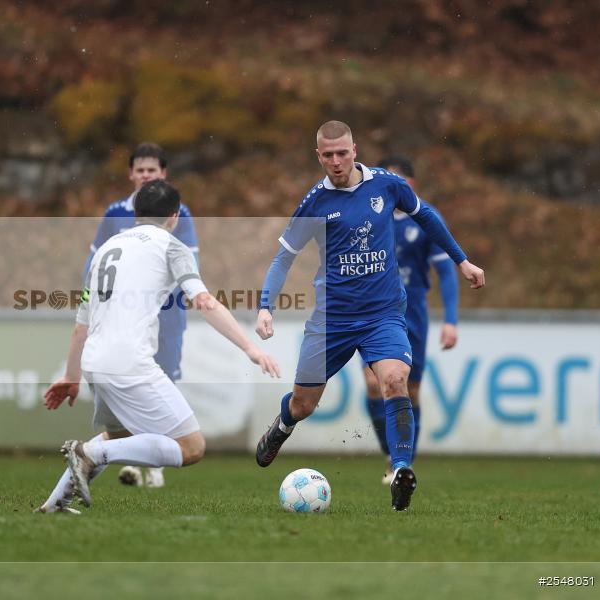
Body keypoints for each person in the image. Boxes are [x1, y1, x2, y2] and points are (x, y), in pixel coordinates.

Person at [253, 121, 484, 511]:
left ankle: (400, 470)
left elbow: (425, 215)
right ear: (318, 157)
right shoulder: (314, 203)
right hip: (332, 319)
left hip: (383, 314)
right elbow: (284, 258)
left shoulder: (386, 184)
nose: (336, 161)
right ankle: (283, 425)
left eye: (342, 153)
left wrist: (462, 260)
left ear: (355, 149)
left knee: (395, 380)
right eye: (328, 155)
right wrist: (264, 305)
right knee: (303, 405)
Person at [37, 180, 279, 514]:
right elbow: (204, 302)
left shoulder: (106, 249)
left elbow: (81, 326)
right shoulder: (171, 245)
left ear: (135, 213)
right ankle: (88, 455)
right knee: (191, 446)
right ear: (175, 216)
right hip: (129, 362)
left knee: (118, 438)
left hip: (96, 361)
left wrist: (72, 376)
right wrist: (251, 348)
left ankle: (53, 506)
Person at [83, 142, 199, 490]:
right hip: (122, 318)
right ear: (131, 174)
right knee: (134, 389)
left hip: (165, 315)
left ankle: (153, 467)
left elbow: (188, 264)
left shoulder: (181, 213)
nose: (146, 175)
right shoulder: (115, 213)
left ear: (162, 174)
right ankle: (134, 460)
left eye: (153, 170)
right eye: (140, 170)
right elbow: (93, 267)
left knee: (161, 382)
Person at [364, 156, 459, 485]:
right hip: (375, 311)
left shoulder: (424, 219)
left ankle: (402, 465)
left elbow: (446, 271)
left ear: (409, 186)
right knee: (374, 382)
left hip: (413, 311)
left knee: (411, 389)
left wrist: (451, 320)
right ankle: (391, 452)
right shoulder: (370, 217)